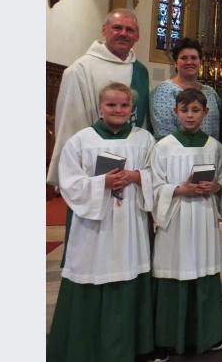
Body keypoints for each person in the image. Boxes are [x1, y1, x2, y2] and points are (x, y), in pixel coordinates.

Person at [47, 83, 155, 362]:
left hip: (130, 221)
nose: (118, 110)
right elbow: (69, 183)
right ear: (100, 107)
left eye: (124, 105)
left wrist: (138, 177)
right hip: (94, 228)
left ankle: (131, 346)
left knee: (130, 268)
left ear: (132, 109)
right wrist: (101, 183)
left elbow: (158, 174)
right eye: (111, 105)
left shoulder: (144, 139)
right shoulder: (81, 140)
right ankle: (85, 348)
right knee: (93, 272)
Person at [149, 88, 222, 359]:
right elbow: (152, 186)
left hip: (203, 219)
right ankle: (166, 340)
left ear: (205, 113)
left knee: (203, 271)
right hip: (174, 222)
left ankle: (207, 337)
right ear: (175, 112)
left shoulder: (214, 147)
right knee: (173, 273)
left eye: (196, 110)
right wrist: (178, 190)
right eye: (184, 110)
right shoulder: (162, 147)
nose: (190, 115)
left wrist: (217, 187)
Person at [47, 8, 150, 187]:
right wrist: (74, 173)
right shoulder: (80, 69)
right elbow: (69, 125)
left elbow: (143, 122)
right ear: (104, 30)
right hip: (91, 166)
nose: (124, 34)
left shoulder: (141, 71)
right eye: (117, 28)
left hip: (131, 163)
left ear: (137, 36)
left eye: (130, 30)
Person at [150, 37, 221, 140]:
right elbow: (164, 133)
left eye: (194, 58)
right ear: (175, 63)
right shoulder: (163, 91)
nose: (189, 62)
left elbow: (217, 128)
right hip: (176, 153)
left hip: (210, 152)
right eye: (184, 58)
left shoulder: (210, 92)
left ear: (200, 62)